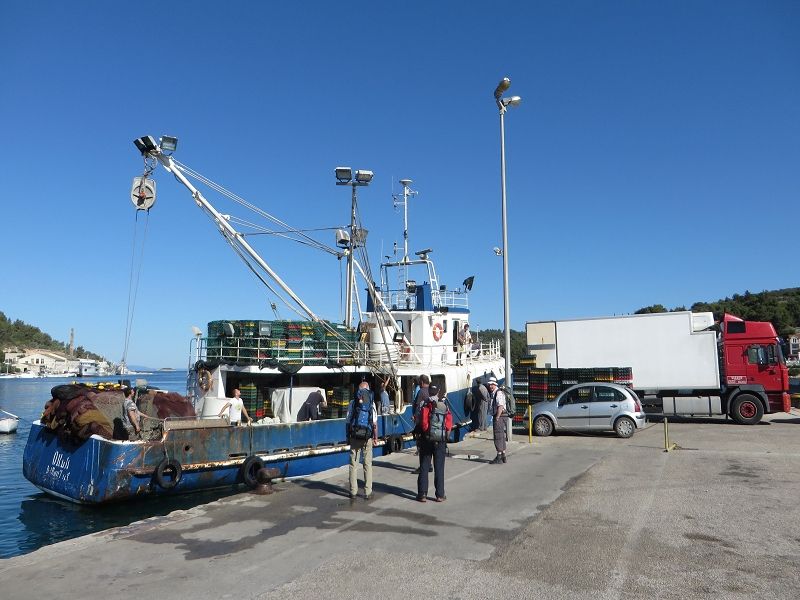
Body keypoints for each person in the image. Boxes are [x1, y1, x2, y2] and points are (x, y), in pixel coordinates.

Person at [416, 384, 449, 502]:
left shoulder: (423, 404)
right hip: (440, 440)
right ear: (438, 392)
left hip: (426, 439)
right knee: (439, 467)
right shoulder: (443, 404)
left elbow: (418, 420)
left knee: (424, 466)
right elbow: (449, 423)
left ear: (429, 392)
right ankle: (440, 495)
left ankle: (422, 494)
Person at [347, 382, 378, 499]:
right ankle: (367, 492)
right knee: (367, 464)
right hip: (367, 437)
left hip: (354, 436)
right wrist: (375, 437)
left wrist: (347, 438)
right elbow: (374, 423)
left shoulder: (353, 402)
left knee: (353, 464)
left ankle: (353, 491)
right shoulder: (372, 403)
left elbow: (348, 420)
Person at [412, 374, 432, 474]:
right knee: (428, 443)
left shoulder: (421, 392)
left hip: (421, 422)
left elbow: (417, 406)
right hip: (430, 422)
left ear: (422, 382)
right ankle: (429, 465)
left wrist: (414, 417)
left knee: (420, 445)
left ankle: (423, 466)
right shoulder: (431, 390)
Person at [487, 377, 508, 463]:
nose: (490, 386)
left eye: (492, 384)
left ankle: (499, 456)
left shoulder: (498, 393)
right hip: (502, 416)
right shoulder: (497, 392)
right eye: (489, 384)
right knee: (501, 435)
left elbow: (501, 406)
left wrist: (497, 417)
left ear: (495, 384)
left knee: (498, 435)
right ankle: (503, 455)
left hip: (500, 416)